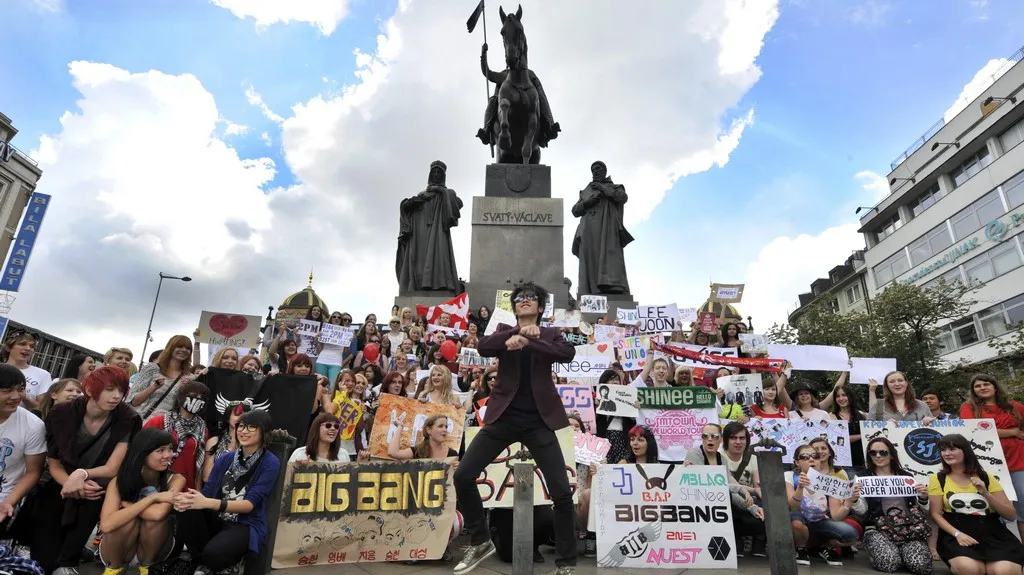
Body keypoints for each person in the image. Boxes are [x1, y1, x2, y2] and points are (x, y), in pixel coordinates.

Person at [453, 281, 577, 575]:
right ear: (514, 305)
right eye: (519, 297)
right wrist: (516, 333)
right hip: (503, 419)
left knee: (561, 492)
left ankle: (566, 563)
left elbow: (567, 354)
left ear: (540, 307)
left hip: (539, 422)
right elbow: (484, 346)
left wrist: (530, 340)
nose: (524, 300)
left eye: (530, 297)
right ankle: (481, 541)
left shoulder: (550, 333)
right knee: (463, 475)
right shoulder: (502, 331)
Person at [39, 366, 142, 575]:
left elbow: (113, 467)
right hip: (59, 479)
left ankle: (68, 562)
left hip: (98, 482)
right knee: (43, 556)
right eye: (109, 389)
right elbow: (54, 463)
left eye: (121, 391)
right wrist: (72, 483)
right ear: (89, 389)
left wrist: (82, 475)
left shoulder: (127, 417)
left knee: (94, 494)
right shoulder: (63, 412)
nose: (116, 396)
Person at [173, 410, 280, 575]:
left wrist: (207, 503)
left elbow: (249, 505)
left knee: (214, 554)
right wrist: (187, 499)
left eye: (252, 427)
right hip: (217, 518)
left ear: (264, 431)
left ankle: (220, 562)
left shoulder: (270, 462)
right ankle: (205, 564)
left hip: (244, 523)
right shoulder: (226, 458)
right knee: (186, 510)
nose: (243, 431)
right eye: (241, 426)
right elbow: (208, 492)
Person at [928, 433, 1024, 575]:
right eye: (943, 450)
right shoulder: (938, 478)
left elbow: (1010, 515)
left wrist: (986, 493)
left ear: (965, 451)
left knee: (1004, 570)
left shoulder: (986, 477)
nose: (947, 453)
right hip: (957, 531)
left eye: (952, 449)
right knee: (970, 569)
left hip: (992, 531)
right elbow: (935, 514)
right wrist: (957, 534)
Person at [97, 429, 185, 575]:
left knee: (154, 520)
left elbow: (158, 514)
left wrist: (127, 505)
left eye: (170, 449)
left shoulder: (176, 479)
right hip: (118, 550)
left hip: (156, 549)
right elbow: (106, 525)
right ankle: (114, 570)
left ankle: (147, 569)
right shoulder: (119, 482)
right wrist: (153, 498)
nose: (168, 455)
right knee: (126, 521)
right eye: (160, 450)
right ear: (142, 453)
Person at [958, 373, 1024, 540]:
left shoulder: (1014, 406)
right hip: (987, 465)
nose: (982, 388)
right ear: (973, 391)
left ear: (995, 386)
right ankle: (1004, 549)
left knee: (1022, 508)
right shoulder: (969, 408)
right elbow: (974, 431)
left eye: (986, 384)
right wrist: (1012, 432)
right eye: (978, 386)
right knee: (993, 509)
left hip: (1018, 461)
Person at [859, 437, 932, 575]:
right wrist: (855, 499)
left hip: (909, 528)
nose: (878, 456)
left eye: (883, 452)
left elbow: (924, 510)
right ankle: (885, 553)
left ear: (892, 454)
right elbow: (861, 511)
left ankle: (901, 553)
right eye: (873, 453)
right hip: (877, 529)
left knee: (920, 565)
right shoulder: (864, 478)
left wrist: (923, 498)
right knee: (890, 563)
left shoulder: (906, 477)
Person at [787, 444, 862, 566]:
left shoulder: (829, 481)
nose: (811, 459)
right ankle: (801, 549)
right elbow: (793, 506)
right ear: (797, 462)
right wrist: (800, 487)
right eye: (805, 457)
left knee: (851, 534)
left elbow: (837, 516)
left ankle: (821, 547)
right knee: (797, 522)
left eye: (815, 456)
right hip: (797, 522)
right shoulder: (790, 476)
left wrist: (849, 501)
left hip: (818, 523)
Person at [0, 364, 45, 539]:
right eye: (7, 390)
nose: (16, 396)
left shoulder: (32, 425)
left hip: (5, 495)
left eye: (20, 390)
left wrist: (8, 502)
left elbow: (33, 472)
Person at [142, 381, 210, 489]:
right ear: (180, 398)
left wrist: (198, 491)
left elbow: (199, 464)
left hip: (187, 487)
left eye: (202, 397)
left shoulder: (203, 429)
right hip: (158, 484)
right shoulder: (159, 421)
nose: (197, 399)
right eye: (193, 396)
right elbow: (140, 451)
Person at [128, 335, 196, 419]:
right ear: (170, 347)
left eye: (188, 348)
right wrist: (153, 387)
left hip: (170, 425)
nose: (184, 350)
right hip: (144, 421)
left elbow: (188, 408)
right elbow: (133, 402)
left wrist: (184, 390)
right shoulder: (152, 368)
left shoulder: (190, 378)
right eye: (180, 346)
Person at [3, 331, 52, 411]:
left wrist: (25, 397)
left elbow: (43, 409)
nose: (28, 348)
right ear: (8, 347)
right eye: (22, 344)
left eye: (32, 346)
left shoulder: (43, 375)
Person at [868, 371, 933, 423]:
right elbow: (868, 430)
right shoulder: (878, 405)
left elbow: (935, 430)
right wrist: (885, 425)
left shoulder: (922, 405)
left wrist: (930, 422)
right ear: (887, 386)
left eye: (900, 380)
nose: (897, 384)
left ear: (906, 383)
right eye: (892, 382)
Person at [389, 414, 458, 460]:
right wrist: (400, 427)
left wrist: (458, 468)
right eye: (440, 426)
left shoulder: (452, 454)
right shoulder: (417, 451)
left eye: (446, 427)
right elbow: (393, 453)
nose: (445, 430)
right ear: (428, 430)